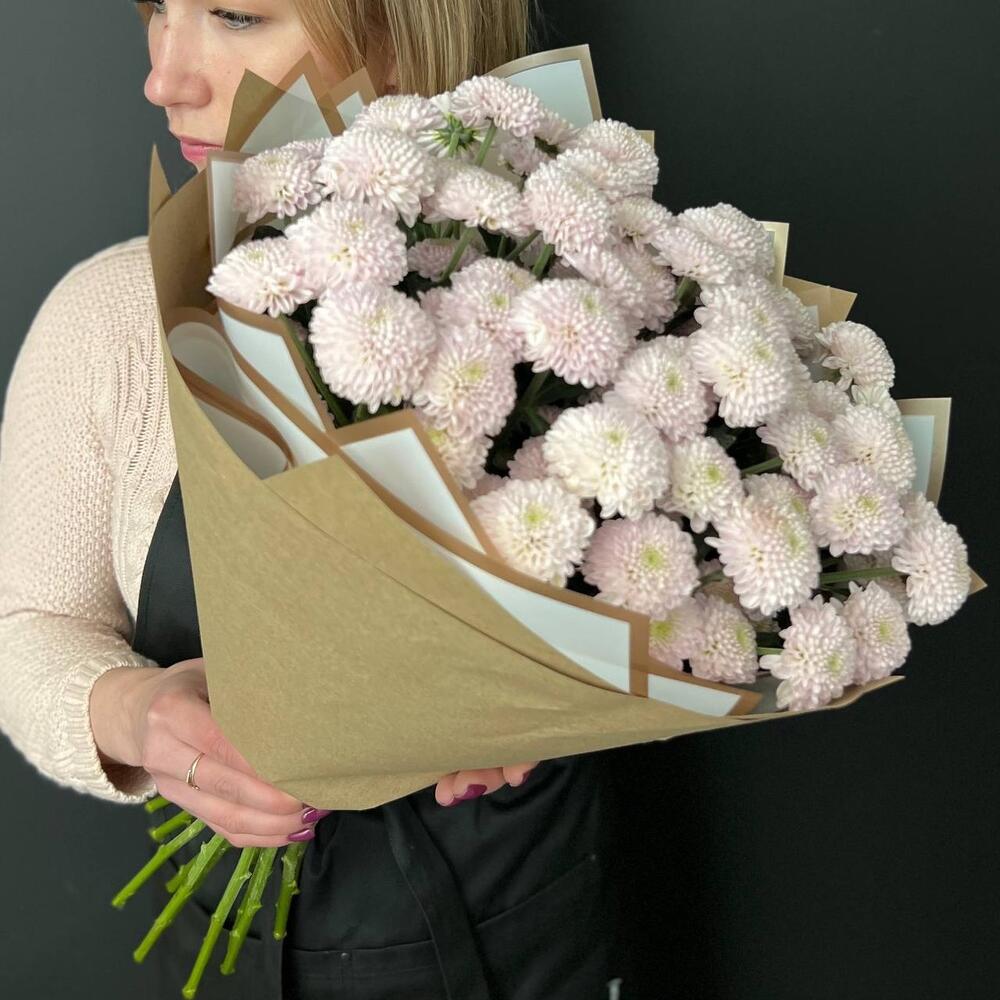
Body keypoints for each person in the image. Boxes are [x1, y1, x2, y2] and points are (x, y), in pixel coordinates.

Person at [0, 2, 624, 997]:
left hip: (522, 919)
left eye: (235, 15)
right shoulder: (112, 321)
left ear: (400, 33)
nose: (165, 78)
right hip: (235, 939)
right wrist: (139, 714)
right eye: (157, 9)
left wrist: (546, 707)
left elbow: (663, 580)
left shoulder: (562, 298)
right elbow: (29, 626)